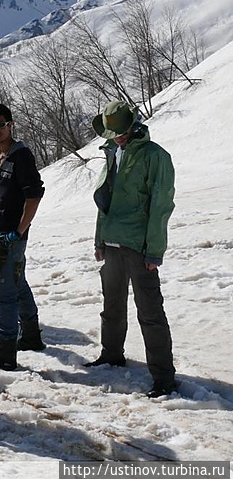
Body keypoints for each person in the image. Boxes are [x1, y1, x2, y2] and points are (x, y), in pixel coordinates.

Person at [86, 100, 177, 398]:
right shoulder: (112, 153)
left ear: (134, 125)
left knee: (150, 312)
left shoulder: (156, 157)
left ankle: (163, 377)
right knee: (111, 307)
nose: (118, 138)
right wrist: (100, 239)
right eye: (113, 134)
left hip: (139, 246)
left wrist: (155, 251)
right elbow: (105, 201)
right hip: (112, 243)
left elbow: (161, 206)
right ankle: (111, 354)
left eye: (122, 132)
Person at [0, 103, 46, 372]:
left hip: (12, 236)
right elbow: (0, 198)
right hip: (1, 232)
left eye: (0, 125)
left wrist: (19, 230)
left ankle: (6, 354)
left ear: (11, 125)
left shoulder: (21, 155)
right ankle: (31, 336)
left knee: (4, 295)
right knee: (18, 282)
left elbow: (34, 195)